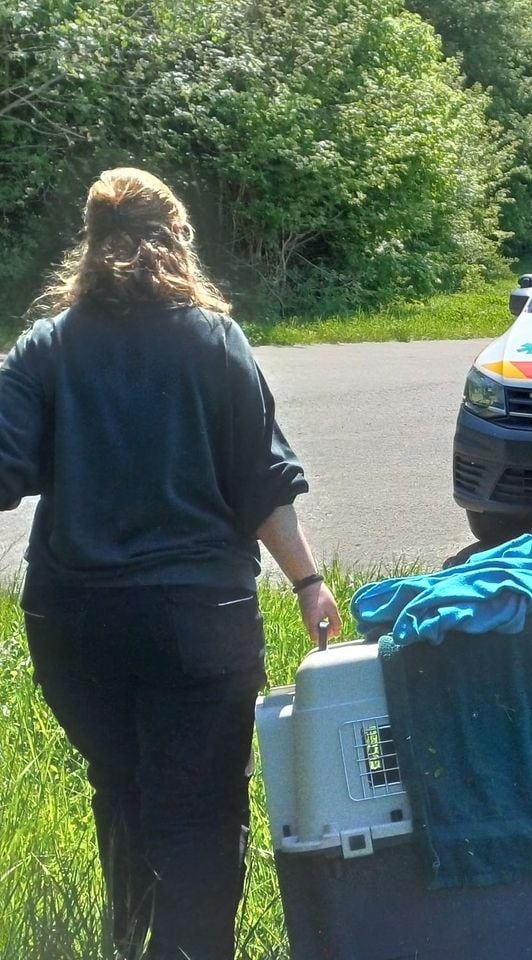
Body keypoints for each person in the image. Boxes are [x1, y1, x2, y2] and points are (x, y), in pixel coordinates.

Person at [0, 168, 342, 960]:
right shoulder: (213, 340)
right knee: (198, 809)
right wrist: (308, 582)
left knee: (119, 787)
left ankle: (131, 942)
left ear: (88, 248)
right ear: (176, 239)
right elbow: (264, 485)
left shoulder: (45, 348)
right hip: (198, 625)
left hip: (74, 625)